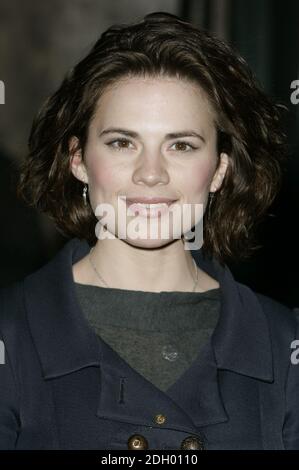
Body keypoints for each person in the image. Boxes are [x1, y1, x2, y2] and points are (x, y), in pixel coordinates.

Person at [0, 11, 298, 450]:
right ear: (78, 160)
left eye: (181, 145)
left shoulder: (284, 347)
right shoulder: (11, 334)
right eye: (123, 142)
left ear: (219, 169)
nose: (151, 173)